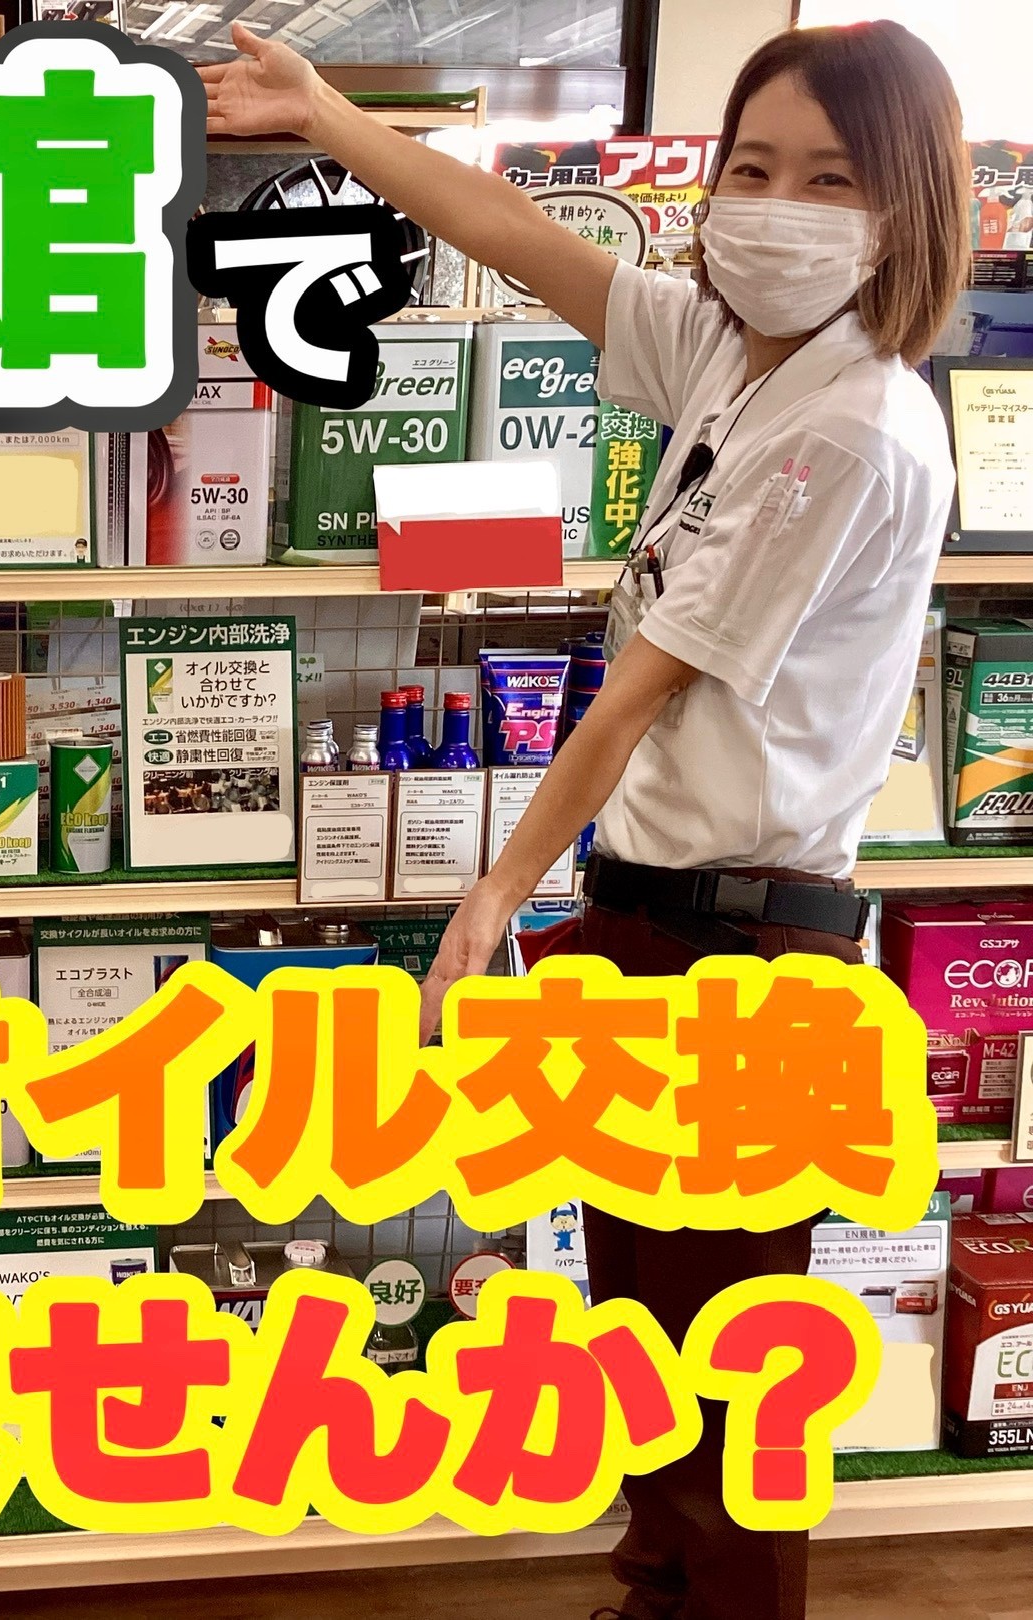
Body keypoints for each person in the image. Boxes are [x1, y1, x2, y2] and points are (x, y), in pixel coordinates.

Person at [204, 20, 968, 1620]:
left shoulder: (849, 422)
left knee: (727, 1376)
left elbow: (634, 695)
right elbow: (518, 236)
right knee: (651, 1346)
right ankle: (658, 1591)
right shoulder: (739, 356)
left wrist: (492, 895)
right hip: (655, 924)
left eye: (832, 179)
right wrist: (328, 114)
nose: (778, 205)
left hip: (745, 960)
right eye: (753, 165)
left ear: (907, 206)